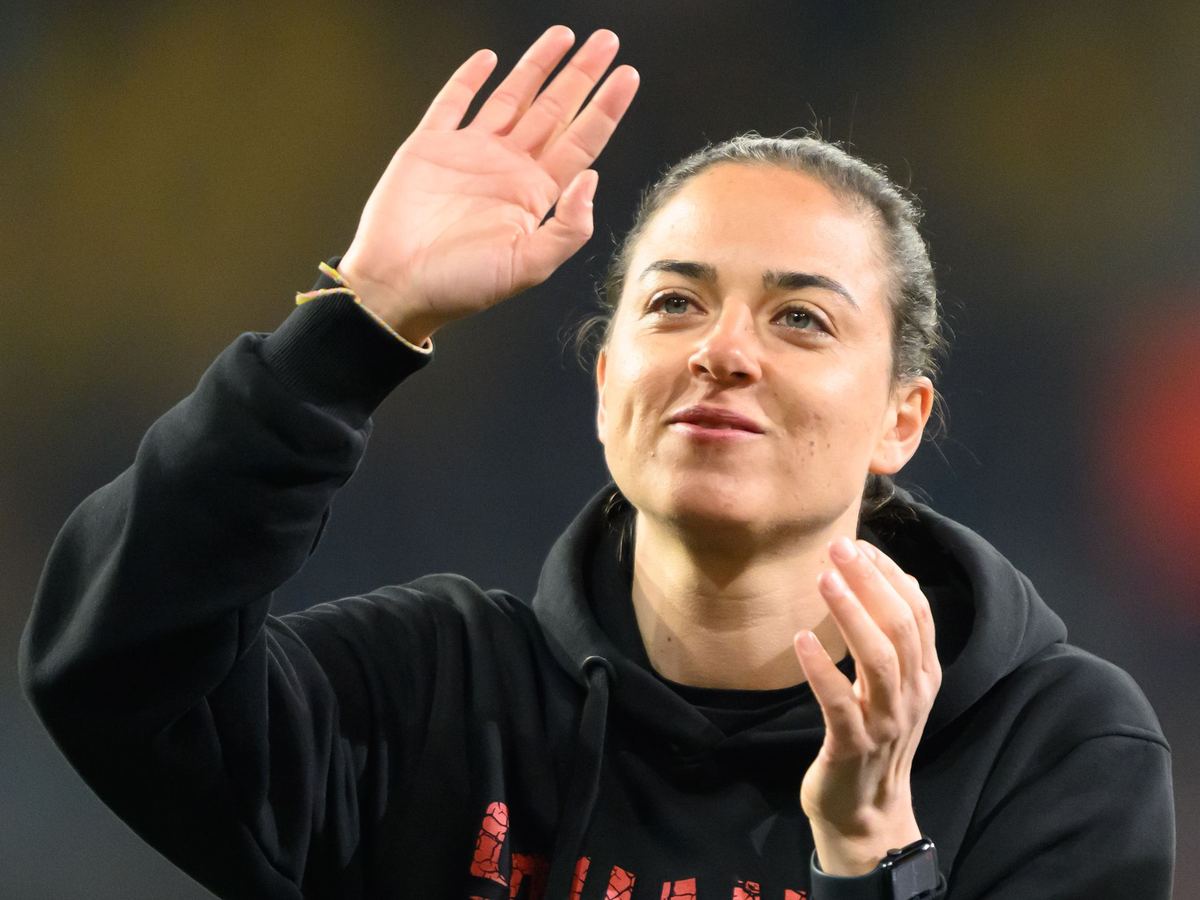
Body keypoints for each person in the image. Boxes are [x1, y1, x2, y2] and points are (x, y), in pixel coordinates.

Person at [18, 23, 1174, 900]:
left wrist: (871, 849)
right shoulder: (433, 703)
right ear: (609, 381)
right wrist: (360, 320)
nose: (723, 351)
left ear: (900, 421)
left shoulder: (1049, 754)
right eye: (674, 304)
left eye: (801, 318)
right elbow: (116, 669)